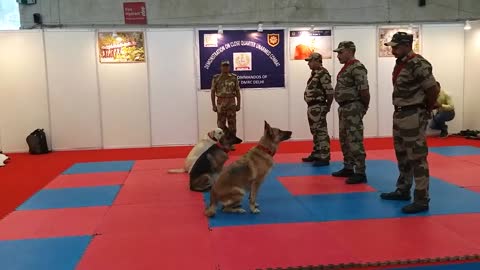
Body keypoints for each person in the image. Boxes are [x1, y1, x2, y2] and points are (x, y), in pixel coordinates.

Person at [381, 32, 439, 214]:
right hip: (400, 114)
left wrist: (427, 109)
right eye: (391, 46)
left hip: (413, 113)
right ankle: (403, 190)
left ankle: (422, 199)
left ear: (407, 45)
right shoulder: (401, 63)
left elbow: (432, 89)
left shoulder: (419, 64)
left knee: (417, 158)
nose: (392, 50)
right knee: (402, 155)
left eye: (396, 46)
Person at [331, 41, 370, 184]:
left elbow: (364, 90)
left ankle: (360, 171)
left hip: (353, 108)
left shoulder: (357, 67)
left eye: (340, 52)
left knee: (355, 140)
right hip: (344, 108)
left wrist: (363, 108)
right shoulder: (347, 68)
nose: (338, 56)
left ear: (349, 51)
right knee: (344, 139)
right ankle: (348, 167)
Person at [301, 52, 334, 167]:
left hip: (318, 106)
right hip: (312, 107)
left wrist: (327, 107)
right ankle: (317, 153)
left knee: (321, 132)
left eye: (310, 61)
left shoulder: (323, 73)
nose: (308, 64)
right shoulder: (315, 73)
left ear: (317, 61)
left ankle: (324, 157)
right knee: (315, 131)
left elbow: (330, 92)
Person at [211, 60, 241, 141]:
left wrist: (238, 104)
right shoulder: (216, 78)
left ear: (229, 67)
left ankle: (232, 142)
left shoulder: (234, 77)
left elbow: (237, 91)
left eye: (227, 66)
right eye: (224, 66)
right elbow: (213, 92)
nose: (225, 68)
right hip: (221, 102)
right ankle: (222, 142)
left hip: (231, 102)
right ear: (221, 67)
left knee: (232, 124)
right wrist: (213, 105)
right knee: (221, 125)